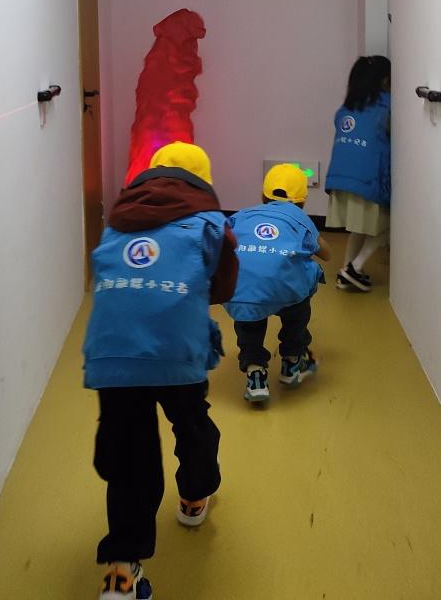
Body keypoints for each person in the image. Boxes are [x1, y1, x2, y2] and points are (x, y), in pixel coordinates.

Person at [82, 142, 239, 600]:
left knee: (130, 455)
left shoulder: (116, 220)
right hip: (177, 353)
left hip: (113, 355)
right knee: (192, 425)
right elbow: (223, 289)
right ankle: (193, 496)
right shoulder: (212, 225)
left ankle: (121, 573)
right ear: (202, 180)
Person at [224, 164, 331, 403]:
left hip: (242, 294)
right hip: (286, 292)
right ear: (302, 200)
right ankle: (292, 363)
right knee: (300, 297)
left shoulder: (240, 216)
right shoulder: (300, 219)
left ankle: (255, 376)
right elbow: (327, 254)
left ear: (263, 195)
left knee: (248, 317)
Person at [324, 55, 392, 292]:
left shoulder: (346, 109)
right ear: (385, 80)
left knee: (357, 227)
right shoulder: (388, 107)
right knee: (387, 225)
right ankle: (355, 267)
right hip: (367, 179)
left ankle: (346, 273)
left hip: (340, 179)